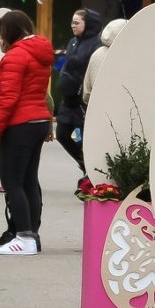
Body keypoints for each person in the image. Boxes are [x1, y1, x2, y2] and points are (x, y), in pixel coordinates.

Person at [0, 10, 54, 255]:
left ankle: (23, 237)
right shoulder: (40, 52)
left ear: (8, 31)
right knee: (28, 181)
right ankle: (31, 235)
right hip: (37, 120)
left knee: (12, 182)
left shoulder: (15, 56)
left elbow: (8, 97)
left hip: (19, 124)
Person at [53, 9, 104, 183]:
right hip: (68, 100)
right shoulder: (73, 42)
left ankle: (90, 171)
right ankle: (83, 164)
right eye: (72, 22)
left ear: (87, 24)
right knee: (61, 134)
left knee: (83, 139)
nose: (72, 25)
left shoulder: (97, 45)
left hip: (82, 102)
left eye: (76, 22)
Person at [80, 17, 127, 107]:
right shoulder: (129, 55)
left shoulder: (96, 54)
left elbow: (86, 93)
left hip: (98, 110)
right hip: (124, 111)